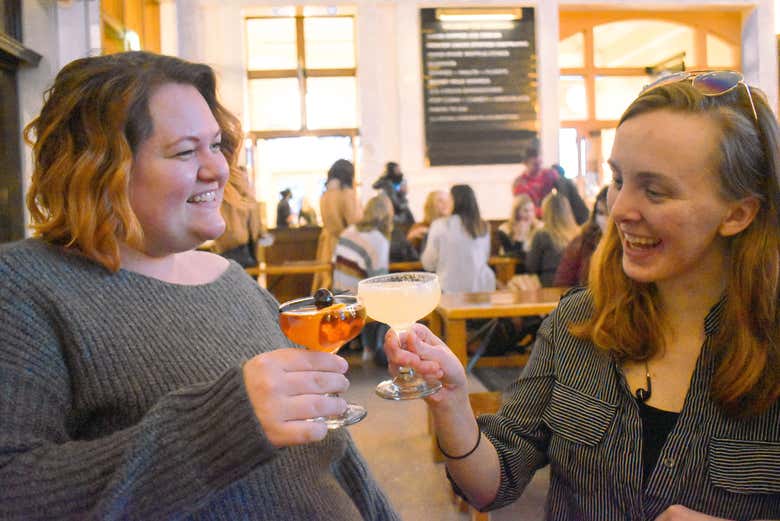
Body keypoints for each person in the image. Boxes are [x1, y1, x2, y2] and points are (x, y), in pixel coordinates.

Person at [0, 51, 398, 520]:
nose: (217, 170)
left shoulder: (235, 285)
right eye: (186, 151)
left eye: (216, 145)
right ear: (99, 169)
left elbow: (333, 458)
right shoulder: (24, 286)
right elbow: (15, 490)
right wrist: (221, 427)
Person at [385, 71, 780, 520]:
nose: (620, 209)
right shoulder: (579, 323)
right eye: (618, 179)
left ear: (738, 213)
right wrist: (452, 401)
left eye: (654, 190)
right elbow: (492, 483)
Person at [332, 195, 394, 365]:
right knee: (395, 303)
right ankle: (380, 348)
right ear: (387, 216)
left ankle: (368, 347)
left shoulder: (348, 231)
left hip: (338, 295)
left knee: (367, 295)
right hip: (356, 302)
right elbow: (379, 281)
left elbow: (333, 263)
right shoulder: (378, 239)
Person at [421, 184, 495, 293]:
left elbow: (428, 263)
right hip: (481, 287)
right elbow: (485, 256)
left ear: (454, 201)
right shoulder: (482, 225)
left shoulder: (440, 225)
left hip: (449, 289)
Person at [312, 159, 361, 290]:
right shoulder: (347, 194)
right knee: (346, 290)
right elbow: (355, 223)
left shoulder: (325, 195)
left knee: (327, 283)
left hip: (327, 245)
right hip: (346, 245)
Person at [212, 166, 267, 268]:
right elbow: (255, 228)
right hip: (245, 249)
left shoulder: (225, 197)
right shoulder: (246, 199)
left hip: (233, 248)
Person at [554, 185, 609, 286]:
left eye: (610, 212)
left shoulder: (631, 244)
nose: (605, 219)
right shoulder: (582, 242)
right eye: (600, 213)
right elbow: (562, 284)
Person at [524, 190, 580, 287]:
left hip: (549, 287)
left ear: (545, 211)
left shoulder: (541, 235)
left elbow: (531, 267)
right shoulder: (579, 235)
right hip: (577, 288)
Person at [496, 194, 542, 273]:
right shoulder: (504, 229)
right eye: (525, 210)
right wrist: (519, 237)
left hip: (533, 268)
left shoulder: (540, 228)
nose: (529, 214)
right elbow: (512, 256)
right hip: (511, 268)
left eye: (532, 210)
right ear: (516, 212)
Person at [511, 146, 559, 218]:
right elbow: (525, 210)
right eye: (535, 165)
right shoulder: (520, 184)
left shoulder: (549, 174)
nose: (539, 168)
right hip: (533, 219)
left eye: (540, 163)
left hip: (551, 216)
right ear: (525, 163)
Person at [406, 190, 452, 256]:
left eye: (448, 200)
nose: (445, 203)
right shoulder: (420, 227)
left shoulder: (455, 226)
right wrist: (410, 238)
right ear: (431, 205)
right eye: (440, 200)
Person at [372, 161, 415, 227]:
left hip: (398, 208)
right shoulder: (387, 183)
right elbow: (394, 202)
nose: (400, 171)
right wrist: (404, 203)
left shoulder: (399, 180)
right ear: (392, 170)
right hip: (394, 212)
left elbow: (403, 192)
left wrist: (402, 193)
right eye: (397, 169)